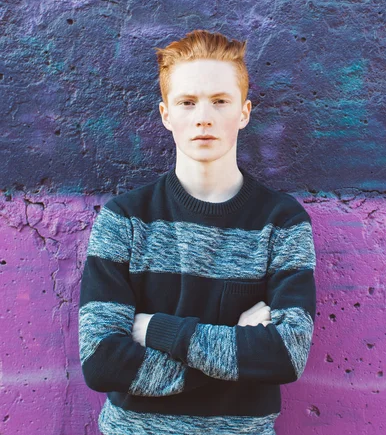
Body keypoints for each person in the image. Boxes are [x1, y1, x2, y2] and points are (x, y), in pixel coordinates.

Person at [78, 29, 317, 435]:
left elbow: (285, 356)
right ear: (166, 114)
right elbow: (101, 363)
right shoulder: (125, 220)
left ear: (243, 112)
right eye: (187, 102)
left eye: (220, 101)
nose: (203, 117)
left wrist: (159, 330)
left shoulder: (282, 222)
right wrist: (235, 344)